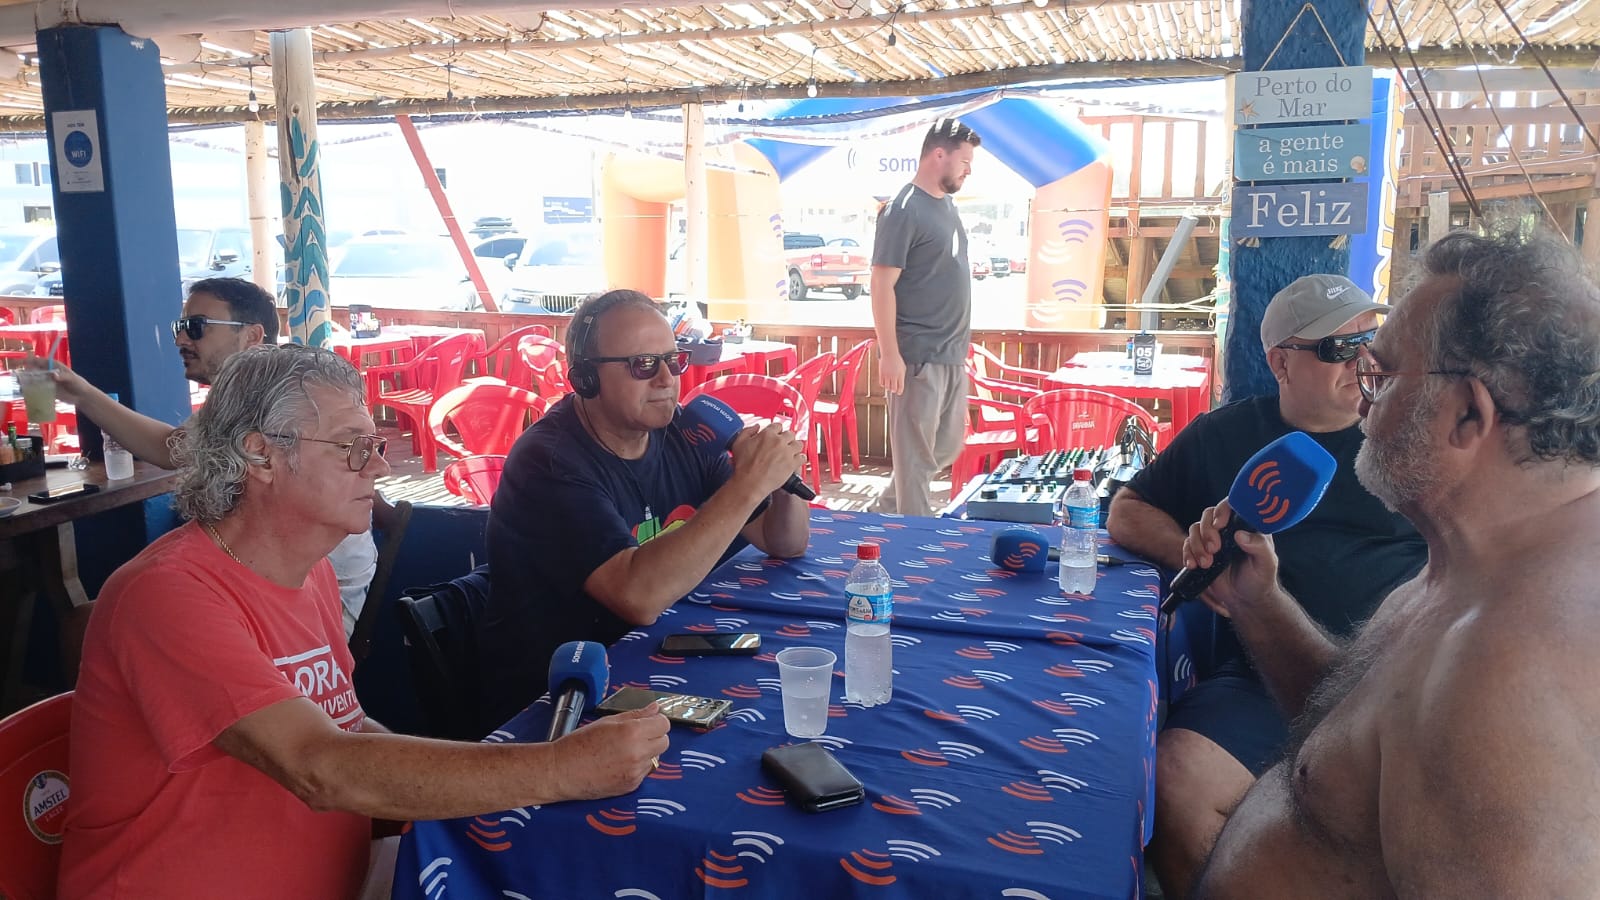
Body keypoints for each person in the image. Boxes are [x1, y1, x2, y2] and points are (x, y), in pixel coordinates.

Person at [58, 345, 669, 899]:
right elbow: (318, 765)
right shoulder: (169, 594)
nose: (376, 468)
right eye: (353, 447)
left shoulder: (311, 572)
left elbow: (349, 731)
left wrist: (489, 783)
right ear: (261, 454)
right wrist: (558, 769)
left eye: (374, 447)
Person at [1185, 229, 1600, 896]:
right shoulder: (1471, 560)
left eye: (1378, 374)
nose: (1362, 400)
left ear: (1467, 415)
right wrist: (1257, 604)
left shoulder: (1511, 678)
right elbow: (1349, 730)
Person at [1103, 273, 1427, 897]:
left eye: (1373, 339)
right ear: (1281, 363)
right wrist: (1194, 551)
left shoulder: (1412, 437)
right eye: (1338, 347)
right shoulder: (1226, 436)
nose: (1364, 360)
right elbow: (1127, 509)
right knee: (1175, 778)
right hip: (1261, 680)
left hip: (1395, 680)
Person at [476, 289, 811, 732]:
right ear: (586, 379)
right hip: (556, 700)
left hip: (656, 661)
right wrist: (747, 485)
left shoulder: (685, 431)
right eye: (644, 364)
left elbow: (783, 541)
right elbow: (639, 597)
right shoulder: (549, 463)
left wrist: (781, 478)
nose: (666, 379)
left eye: (674, 360)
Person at [26, 276, 384, 637]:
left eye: (196, 327)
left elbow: (169, 449)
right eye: (180, 327)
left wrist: (83, 395)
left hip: (321, 591)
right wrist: (82, 394)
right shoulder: (244, 397)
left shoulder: (276, 398)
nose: (181, 339)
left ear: (252, 335)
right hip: (267, 577)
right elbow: (172, 447)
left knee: (97, 622)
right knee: (105, 618)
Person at [869, 117, 982, 517]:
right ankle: (917, 543)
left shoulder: (946, 205)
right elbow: (881, 284)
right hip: (916, 356)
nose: (969, 170)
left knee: (946, 447)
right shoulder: (903, 210)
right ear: (938, 155)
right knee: (916, 464)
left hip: (951, 353)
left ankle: (880, 512)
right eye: (964, 161)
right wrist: (890, 355)